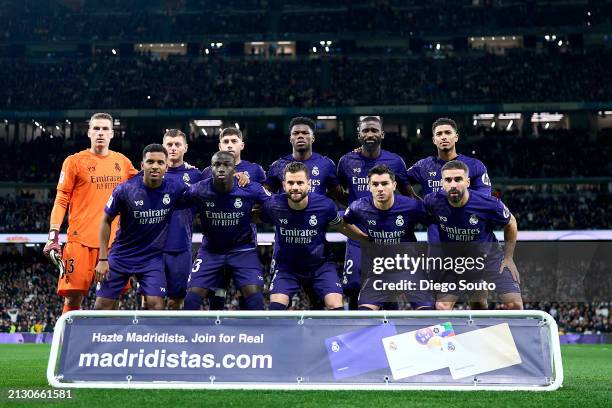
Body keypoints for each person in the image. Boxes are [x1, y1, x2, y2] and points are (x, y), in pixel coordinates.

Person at [43, 112, 138, 314]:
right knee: (73, 295)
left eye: (105, 129)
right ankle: (70, 344)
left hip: (114, 243)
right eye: (96, 128)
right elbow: (61, 199)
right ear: (88, 133)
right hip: (80, 241)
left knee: (112, 296)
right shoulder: (74, 161)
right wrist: (53, 235)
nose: (100, 133)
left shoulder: (122, 162)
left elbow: (148, 182)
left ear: (112, 134)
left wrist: (177, 170)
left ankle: (106, 343)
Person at [260, 162, 368, 310]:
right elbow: (253, 216)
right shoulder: (273, 206)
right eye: (291, 183)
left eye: (300, 182)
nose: (295, 187)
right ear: (284, 185)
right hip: (287, 267)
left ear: (309, 184)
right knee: (275, 309)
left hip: (321, 265)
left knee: (336, 306)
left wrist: (366, 239)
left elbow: (341, 225)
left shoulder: (325, 206)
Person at [94, 144, 188, 310]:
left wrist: (236, 176)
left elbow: (204, 191)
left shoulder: (175, 188)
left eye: (160, 163)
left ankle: (148, 337)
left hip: (151, 258)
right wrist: (102, 259)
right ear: (142, 164)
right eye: (150, 161)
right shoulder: (125, 190)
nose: (155, 166)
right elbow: (105, 220)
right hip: (122, 255)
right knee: (102, 305)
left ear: (166, 166)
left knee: (156, 305)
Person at [337, 116, 417, 309]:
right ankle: (359, 331)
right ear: (359, 134)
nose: (370, 134)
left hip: (388, 235)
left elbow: (409, 195)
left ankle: (388, 333)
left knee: (387, 288)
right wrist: (351, 208)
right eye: (365, 130)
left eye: (374, 130)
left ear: (382, 134)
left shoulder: (395, 161)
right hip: (359, 234)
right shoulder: (346, 161)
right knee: (353, 285)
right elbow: (336, 191)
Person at [423, 160, 523, 310]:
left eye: (458, 179)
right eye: (448, 180)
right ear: (442, 183)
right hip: (455, 263)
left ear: (468, 182)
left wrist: (509, 257)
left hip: (489, 259)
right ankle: (456, 334)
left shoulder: (488, 203)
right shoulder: (432, 201)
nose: (453, 184)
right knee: (442, 306)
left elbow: (511, 223)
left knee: (514, 304)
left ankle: (505, 333)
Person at [182, 151, 271, 311]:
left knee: (255, 299)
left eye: (226, 165)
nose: (221, 168)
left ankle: (253, 336)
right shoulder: (199, 189)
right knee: (191, 300)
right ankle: (196, 336)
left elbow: (275, 205)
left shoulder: (250, 188)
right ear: (211, 168)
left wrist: (261, 214)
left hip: (243, 250)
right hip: (211, 250)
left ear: (234, 169)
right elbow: (174, 200)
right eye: (217, 165)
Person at [342, 165, 433, 310]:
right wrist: (362, 238)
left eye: (384, 184)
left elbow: (434, 223)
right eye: (375, 184)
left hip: (410, 268)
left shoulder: (412, 206)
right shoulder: (358, 207)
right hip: (379, 270)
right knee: (364, 314)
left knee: (427, 313)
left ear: (394, 185)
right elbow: (342, 223)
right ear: (369, 186)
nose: (380, 188)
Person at [202, 127, 266, 310]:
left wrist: (247, 212)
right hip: (215, 246)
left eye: (234, 141)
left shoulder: (255, 170)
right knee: (217, 291)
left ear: (242, 145)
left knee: (246, 292)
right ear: (219, 145)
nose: (230, 145)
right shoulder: (208, 171)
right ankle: (216, 334)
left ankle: (248, 335)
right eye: (226, 141)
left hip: (244, 244)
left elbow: (264, 201)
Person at [160, 129, 204, 309]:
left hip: (181, 247)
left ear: (185, 147)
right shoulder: (151, 172)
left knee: (176, 300)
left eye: (177, 144)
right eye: (169, 144)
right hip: (153, 249)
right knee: (150, 299)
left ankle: (172, 336)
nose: (173, 148)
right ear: (163, 147)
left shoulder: (196, 175)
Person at [265, 117, 342, 199]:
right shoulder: (278, 165)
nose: (300, 136)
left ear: (313, 138)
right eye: (296, 133)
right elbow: (266, 196)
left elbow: (337, 195)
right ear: (290, 138)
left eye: (305, 133)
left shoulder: (326, 164)